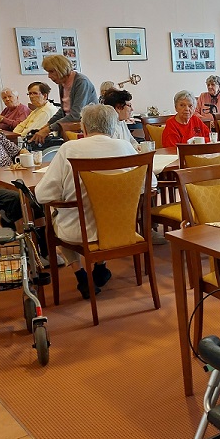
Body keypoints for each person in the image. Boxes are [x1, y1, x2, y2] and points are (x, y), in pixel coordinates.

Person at [35, 103, 146, 299]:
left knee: (55, 216)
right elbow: (148, 184)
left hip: (80, 232)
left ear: (83, 127)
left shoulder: (69, 148)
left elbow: (43, 195)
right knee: (97, 209)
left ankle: (80, 274)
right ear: (112, 127)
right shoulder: (126, 146)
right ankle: (101, 266)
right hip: (120, 228)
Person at [31, 55, 98, 144]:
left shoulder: (81, 82)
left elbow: (76, 115)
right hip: (72, 128)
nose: (49, 76)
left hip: (88, 129)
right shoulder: (62, 83)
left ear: (61, 69)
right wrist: (46, 126)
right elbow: (63, 111)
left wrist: (49, 129)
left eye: (51, 72)